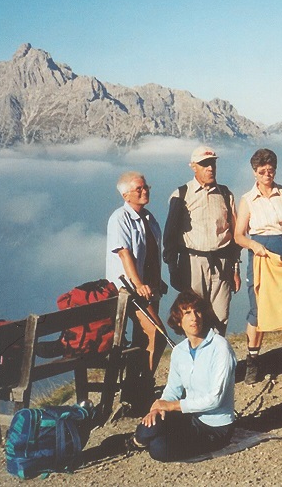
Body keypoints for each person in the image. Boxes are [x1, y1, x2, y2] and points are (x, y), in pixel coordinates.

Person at [234, 148, 282, 384]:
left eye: (270, 170)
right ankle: (253, 361)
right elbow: (238, 235)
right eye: (262, 171)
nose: (267, 174)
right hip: (262, 253)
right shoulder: (248, 199)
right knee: (258, 306)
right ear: (254, 173)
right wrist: (253, 245)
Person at [129, 291, 236, 462]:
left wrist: (171, 406)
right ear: (179, 320)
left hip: (215, 427)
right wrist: (158, 408)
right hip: (190, 416)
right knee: (148, 427)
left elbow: (215, 399)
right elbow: (173, 389)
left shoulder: (220, 347)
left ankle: (147, 441)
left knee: (158, 450)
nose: (194, 317)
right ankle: (137, 441)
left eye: (197, 311)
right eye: (187, 313)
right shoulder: (179, 351)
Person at [163, 146, 241, 336]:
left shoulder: (225, 194)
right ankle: (197, 359)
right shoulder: (181, 195)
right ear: (193, 167)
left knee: (221, 316)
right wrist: (173, 269)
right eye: (205, 164)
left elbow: (234, 233)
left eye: (213, 163)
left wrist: (235, 270)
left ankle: (216, 361)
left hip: (222, 263)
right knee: (193, 318)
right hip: (192, 263)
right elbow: (170, 236)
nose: (210, 168)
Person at [106, 171, 167, 409]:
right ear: (125, 194)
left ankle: (136, 389)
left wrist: (156, 280)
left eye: (146, 187)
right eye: (139, 189)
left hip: (149, 288)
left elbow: (152, 253)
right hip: (129, 290)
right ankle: (140, 387)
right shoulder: (119, 218)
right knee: (156, 333)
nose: (145, 191)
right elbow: (124, 253)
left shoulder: (149, 218)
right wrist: (138, 284)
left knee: (145, 339)